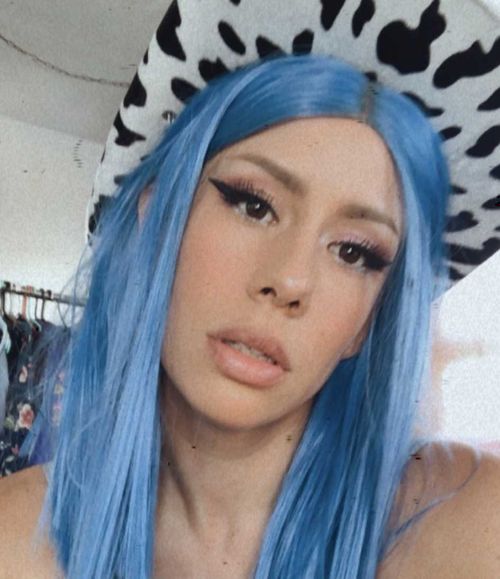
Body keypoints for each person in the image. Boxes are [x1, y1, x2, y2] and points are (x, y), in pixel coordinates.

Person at [1, 52, 499, 579]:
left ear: (368, 321)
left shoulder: (472, 526)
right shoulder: (13, 539)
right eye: (253, 205)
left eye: (354, 252)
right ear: (158, 225)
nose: (289, 280)